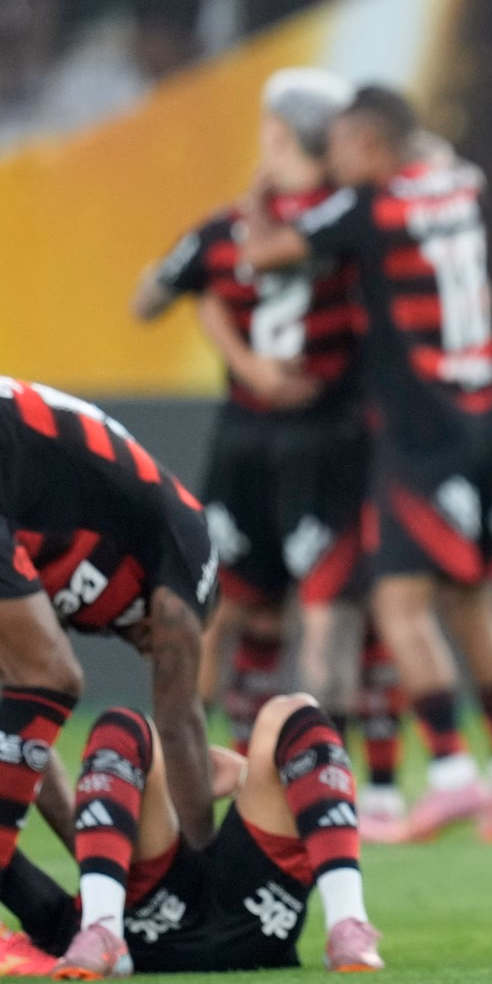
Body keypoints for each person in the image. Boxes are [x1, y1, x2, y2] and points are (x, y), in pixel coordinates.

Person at [240, 87, 492, 843]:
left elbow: (264, 253)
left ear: (371, 146)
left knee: (399, 606)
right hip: (482, 420)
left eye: (343, 147)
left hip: (419, 429)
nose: (333, 161)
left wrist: (259, 186)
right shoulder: (456, 181)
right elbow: (441, 157)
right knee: (471, 604)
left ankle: (451, 777)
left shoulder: (370, 208)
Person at [132, 67, 407, 841]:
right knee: (329, 617)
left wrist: (239, 352)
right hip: (333, 441)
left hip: (249, 444)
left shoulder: (227, 231)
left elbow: (150, 298)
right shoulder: (354, 219)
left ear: (276, 132)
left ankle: (196, 786)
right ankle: (337, 792)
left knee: (219, 613)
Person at [0, 375, 216, 977]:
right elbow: (180, 725)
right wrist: (195, 883)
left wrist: (104, 866)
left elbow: (24, 744)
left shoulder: (81, 539)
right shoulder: (189, 553)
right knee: (48, 679)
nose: (148, 649)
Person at [49, 691, 382, 979]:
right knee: (121, 724)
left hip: (155, 926)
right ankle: (349, 926)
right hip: (260, 927)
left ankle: (101, 929)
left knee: (295, 711)